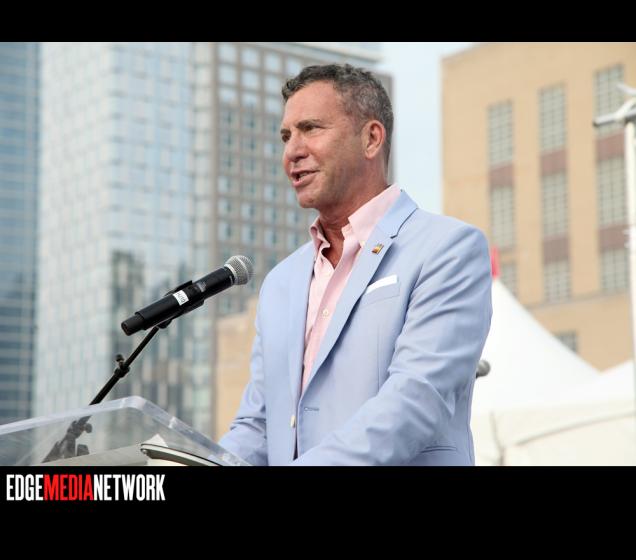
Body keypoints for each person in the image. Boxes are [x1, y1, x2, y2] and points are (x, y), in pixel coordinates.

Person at [218, 63, 492, 466]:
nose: (292, 151)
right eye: (286, 136)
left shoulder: (448, 249)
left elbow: (415, 402)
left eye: (311, 129)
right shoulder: (281, 282)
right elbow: (259, 426)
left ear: (371, 138)